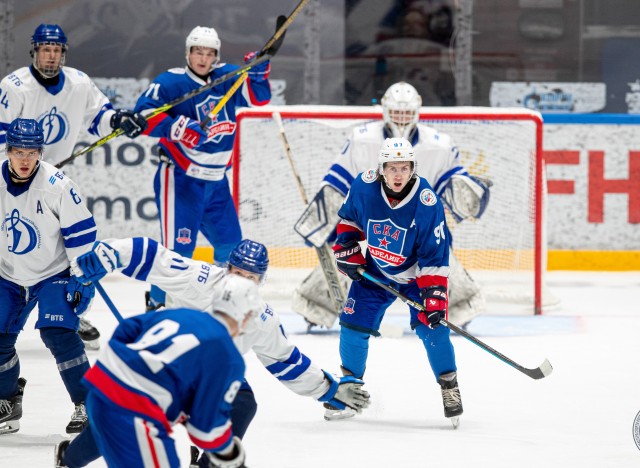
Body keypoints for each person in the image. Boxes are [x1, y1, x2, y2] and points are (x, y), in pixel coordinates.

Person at [66, 236, 370, 463]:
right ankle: (70, 458)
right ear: (226, 270)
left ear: (261, 280)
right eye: (238, 274)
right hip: (166, 368)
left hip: (207, 374)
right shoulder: (199, 278)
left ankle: (210, 464)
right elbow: (152, 255)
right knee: (131, 414)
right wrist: (107, 256)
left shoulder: (261, 316)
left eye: (251, 278)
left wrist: (328, 390)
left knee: (243, 403)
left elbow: (285, 360)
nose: (244, 282)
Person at [294, 81, 491, 329]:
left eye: (406, 113)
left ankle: (459, 305)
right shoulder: (362, 138)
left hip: (417, 220)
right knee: (345, 251)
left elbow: (453, 182)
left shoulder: (438, 144)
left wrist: (468, 192)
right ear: (385, 111)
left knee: (440, 256)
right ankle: (316, 306)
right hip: (371, 218)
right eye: (397, 113)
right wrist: (321, 220)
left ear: (417, 112)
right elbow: (338, 180)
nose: (401, 119)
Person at [0, 23, 148, 351]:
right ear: (34, 51)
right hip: (14, 181)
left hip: (51, 184)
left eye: (56, 50)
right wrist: (22, 170)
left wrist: (120, 120)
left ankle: (68, 313)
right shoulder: (13, 87)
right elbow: (0, 140)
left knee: (65, 251)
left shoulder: (79, 83)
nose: (50, 56)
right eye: (44, 49)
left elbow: (100, 117)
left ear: (63, 53)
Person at [133, 26, 272, 312]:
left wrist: (258, 71)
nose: (203, 58)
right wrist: (177, 127)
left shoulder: (228, 77)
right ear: (188, 52)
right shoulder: (171, 82)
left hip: (216, 182)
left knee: (231, 248)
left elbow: (260, 99)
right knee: (179, 252)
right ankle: (158, 304)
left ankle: (228, 302)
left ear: (216, 56)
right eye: (198, 51)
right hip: (181, 179)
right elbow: (141, 116)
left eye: (209, 53)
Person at [55, 274, 260, 468]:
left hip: (101, 386)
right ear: (245, 315)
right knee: (120, 428)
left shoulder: (182, 314)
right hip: (136, 412)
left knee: (106, 429)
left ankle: (68, 458)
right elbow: (204, 430)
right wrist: (230, 453)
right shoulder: (228, 357)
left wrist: (123, 366)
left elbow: (127, 328)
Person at [326, 137, 463, 425]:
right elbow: (350, 220)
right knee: (351, 325)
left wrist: (434, 298)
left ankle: (449, 386)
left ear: (413, 169)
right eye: (392, 168)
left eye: (404, 168)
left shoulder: (427, 202)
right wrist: (346, 247)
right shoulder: (364, 186)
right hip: (376, 271)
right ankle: (349, 390)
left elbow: (434, 256)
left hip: (416, 276)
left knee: (433, 330)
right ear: (381, 169)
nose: (398, 174)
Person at [0, 119, 97, 435]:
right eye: (18, 152)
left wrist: (83, 279)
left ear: (40, 153)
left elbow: (82, 238)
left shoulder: (58, 186)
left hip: (53, 273)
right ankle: (7, 400)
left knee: (57, 332)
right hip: (8, 275)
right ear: (8, 151)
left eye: (31, 152)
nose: (25, 160)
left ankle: (88, 405)